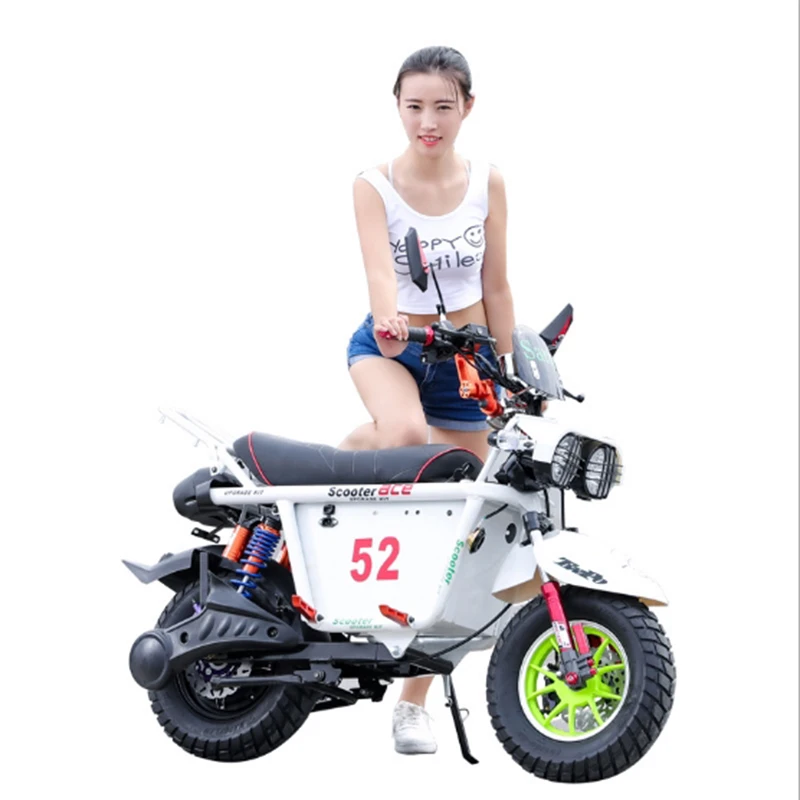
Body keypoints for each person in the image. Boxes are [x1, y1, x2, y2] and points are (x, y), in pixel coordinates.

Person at [338, 45, 518, 755]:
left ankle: (412, 705)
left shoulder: (488, 182)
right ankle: (351, 452)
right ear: (397, 107)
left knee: (468, 531)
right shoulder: (373, 185)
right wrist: (389, 319)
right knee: (409, 436)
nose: (428, 122)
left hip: (467, 359)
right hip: (394, 348)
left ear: (468, 106)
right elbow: (380, 275)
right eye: (413, 106)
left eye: (443, 106)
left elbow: (497, 286)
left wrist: (508, 373)